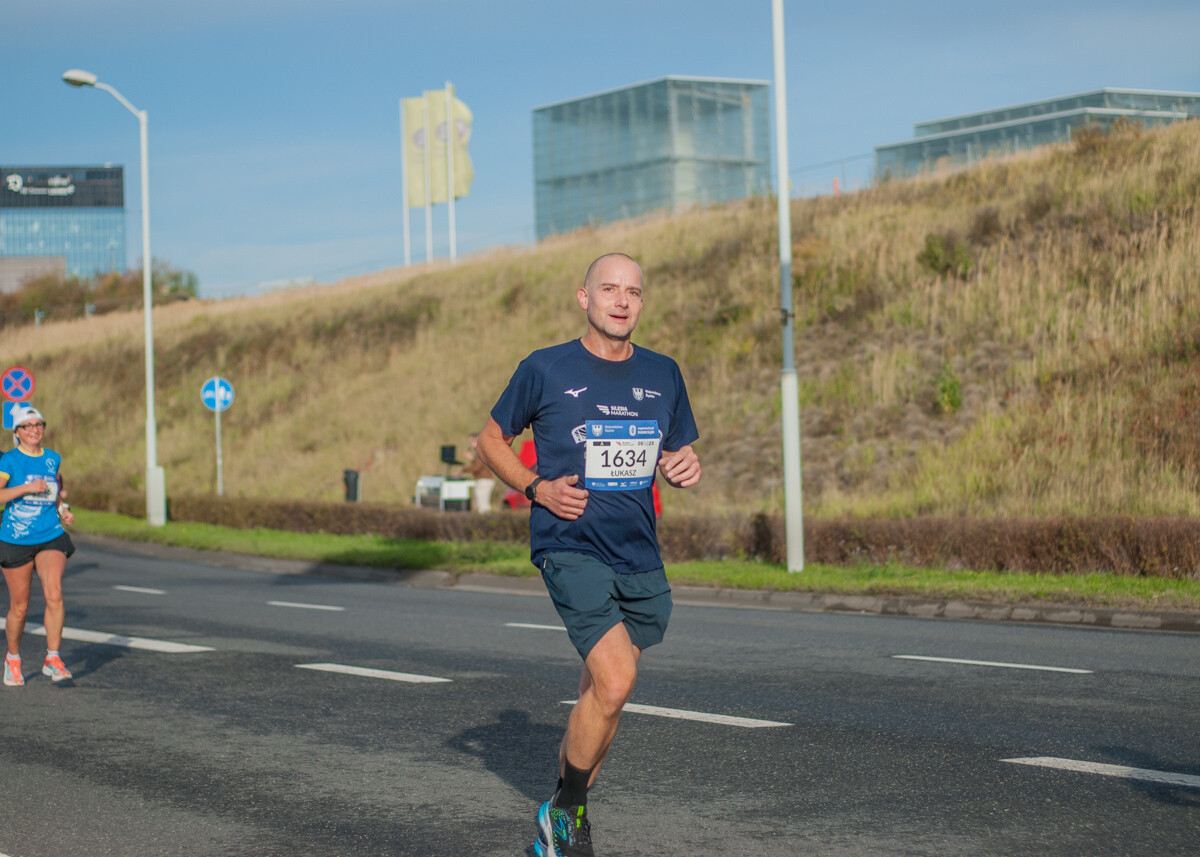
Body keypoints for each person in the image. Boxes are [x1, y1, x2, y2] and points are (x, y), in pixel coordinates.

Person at [477, 252, 701, 857]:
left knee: (603, 695)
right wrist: (533, 487)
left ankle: (556, 818)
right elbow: (490, 439)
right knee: (617, 679)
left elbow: (677, 454)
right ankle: (568, 815)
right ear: (585, 298)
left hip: (637, 549)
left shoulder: (664, 372)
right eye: (609, 289)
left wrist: (685, 466)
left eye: (632, 291)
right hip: (569, 542)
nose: (622, 300)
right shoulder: (545, 369)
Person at [0, 406, 75, 687]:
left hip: (50, 534)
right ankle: (13, 659)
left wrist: (63, 510)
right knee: (20, 607)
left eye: (38, 424)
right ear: (17, 433)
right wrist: (25, 489)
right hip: (16, 538)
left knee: (54, 593)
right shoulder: (9, 460)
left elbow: (53, 492)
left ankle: (53, 657)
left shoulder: (52, 458)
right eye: (28, 425)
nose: (35, 429)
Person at [464, 432, 496, 513]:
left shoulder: (481, 451)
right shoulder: (481, 451)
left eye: (471, 441)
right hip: (483, 480)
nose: (470, 444)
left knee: (483, 505)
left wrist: (463, 469)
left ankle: (486, 523)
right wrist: (472, 459)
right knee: (481, 504)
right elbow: (478, 465)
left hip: (484, 481)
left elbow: (476, 468)